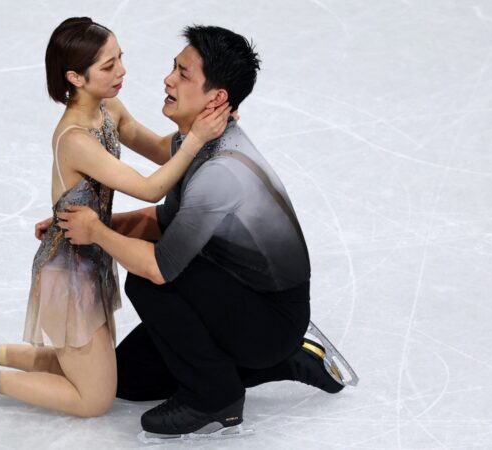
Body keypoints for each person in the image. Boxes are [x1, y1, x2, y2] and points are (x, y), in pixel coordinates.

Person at [0, 17, 232, 421]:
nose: (122, 71)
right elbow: (150, 188)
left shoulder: (107, 108)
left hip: (91, 256)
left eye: (120, 59)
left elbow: (159, 149)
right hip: (69, 272)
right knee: (94, 399)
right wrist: (198, 140)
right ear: (75, 77)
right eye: (108, 66)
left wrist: (203, 124)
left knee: (88, 370)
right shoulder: (76, 137)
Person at [57, 25, 356, 440]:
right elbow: (164, 217)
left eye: (183, 74)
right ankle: (286, 359)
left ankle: (218, 398)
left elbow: (159, 267)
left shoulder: (220, 174)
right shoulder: (194, 140)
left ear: (217, 100)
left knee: (147, 280)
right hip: (232, 287)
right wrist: (80, 226)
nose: (168, 79)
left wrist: (97, 232)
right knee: (129, 381)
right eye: (173, 68)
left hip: (270, 314)